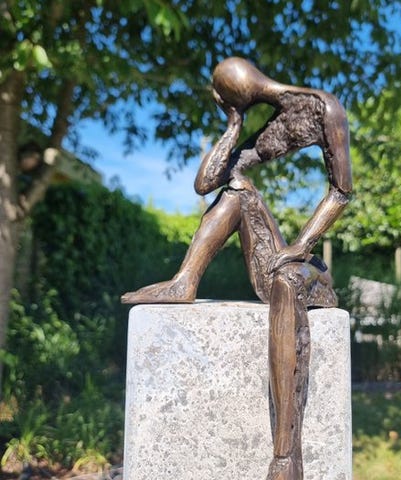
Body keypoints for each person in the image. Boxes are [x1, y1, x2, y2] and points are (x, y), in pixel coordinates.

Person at [122, 57, 352, 480]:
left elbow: (341, 191)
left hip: (310, 273)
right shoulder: (264, 126)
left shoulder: (326, 108)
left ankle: (285, 457)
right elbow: (205, 184)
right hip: (275, 266)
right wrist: (233, 126)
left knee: (287, 281)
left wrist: (302, 245)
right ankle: (184, 281)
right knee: (237, 189)